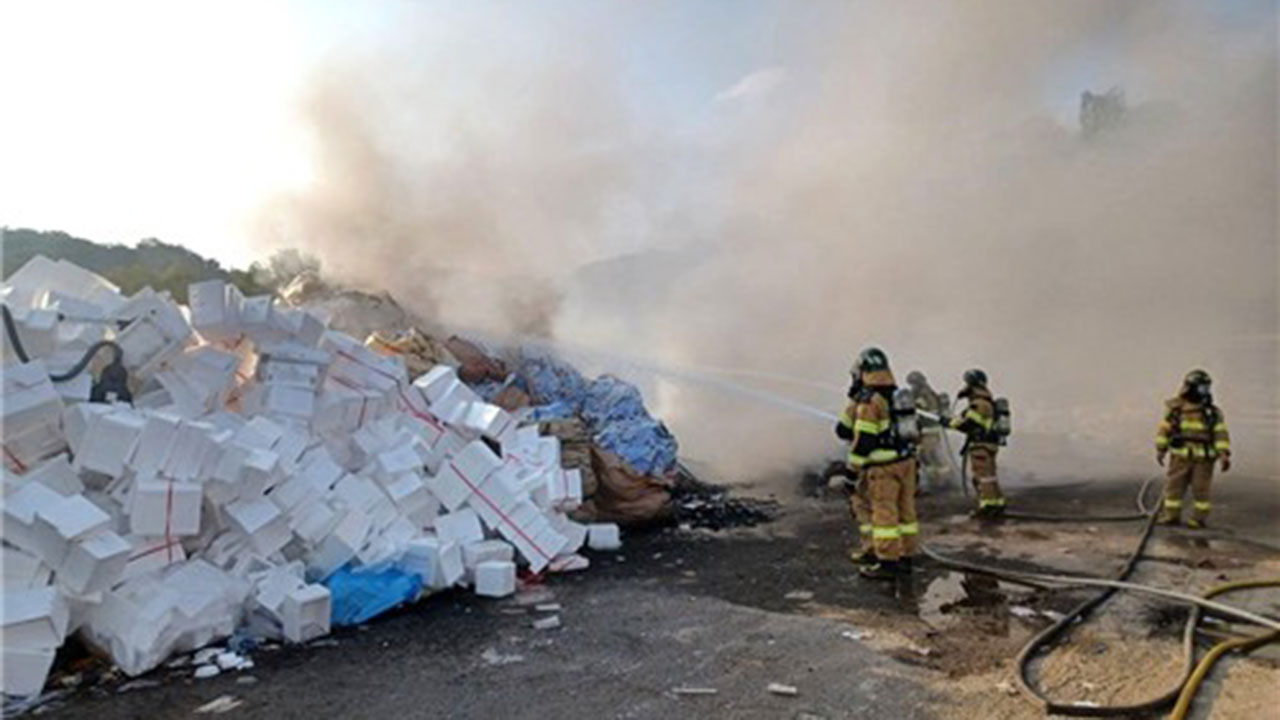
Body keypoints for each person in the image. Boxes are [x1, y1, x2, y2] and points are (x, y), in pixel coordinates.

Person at [835, 347, 919, 580]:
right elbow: (843, 429)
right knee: (906, 512)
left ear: (863, 371)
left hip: (883, 469)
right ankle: (905, 557)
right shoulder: (896, 395)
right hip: (906, 462)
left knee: (884, 514)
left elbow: (863, 442)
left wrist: (851, 474)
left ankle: (887, 563)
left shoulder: (870, 402)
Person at [1155, 369, 1231, 528]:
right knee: (1174, 488)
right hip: (1180, 457)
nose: (1205, 392)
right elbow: (1164, 430)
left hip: (1204, 459)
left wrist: (1223, 454)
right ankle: (1171, 516)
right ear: (1190, 387)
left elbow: (1220, 433)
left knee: (1201, 490)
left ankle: (1198, 519)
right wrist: (1161, 449)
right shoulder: (1175, 409)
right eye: (1202, 388)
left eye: (1207, 388)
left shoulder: (1212, 413)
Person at [950, 368, 1005, 516]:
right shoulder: (986, 401)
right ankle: (997, 502)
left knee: (982, 477)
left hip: (980, 445)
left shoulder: (978, 404)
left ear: (972, 385)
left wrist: (951, 424)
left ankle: (987, 506)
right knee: (990, 475)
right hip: (989, 444)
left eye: (967, 384)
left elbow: (970, 425)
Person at [906, 371, 952, 494]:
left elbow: (920, 411)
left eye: (913, 384)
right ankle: (936, 480)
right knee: (927, 456)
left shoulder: (924, 395)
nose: (912, 387)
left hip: (929, 431)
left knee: (930, 456)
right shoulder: (927, 393)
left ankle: (943, 481)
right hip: (928, 431)